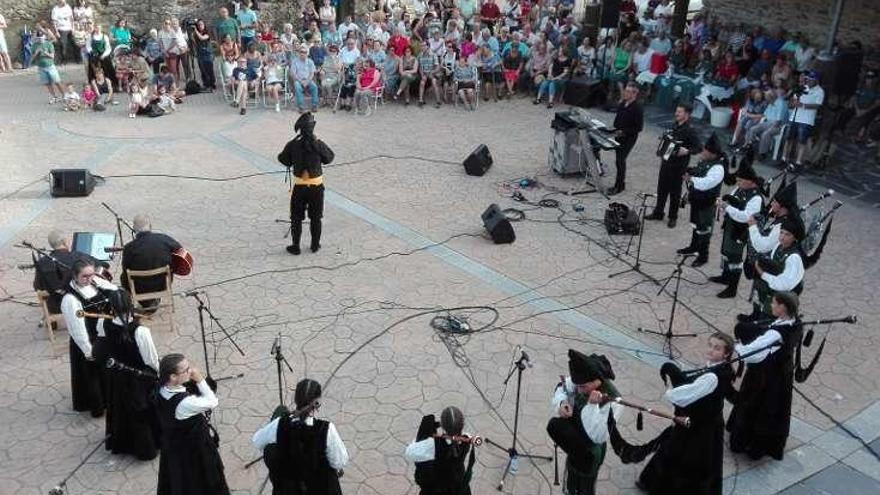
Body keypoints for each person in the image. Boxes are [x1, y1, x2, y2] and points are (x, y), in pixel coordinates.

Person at [608, 332, 736, 495]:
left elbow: (683, 396)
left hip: (698, 427)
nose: (711, 350)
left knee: (679, 458)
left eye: (717, 348)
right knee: (673, 452)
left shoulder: (712, 377)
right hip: (705, 422)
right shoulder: (718, 369)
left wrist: (670, 388)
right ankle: (651, 481)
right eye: (710, 345)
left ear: (726, 354)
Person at [728, 292, 802, 461]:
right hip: (782, 375)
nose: (771, 306)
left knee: (755, 406)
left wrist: (735, 348)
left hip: (765, 377)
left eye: (775, 304)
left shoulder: (776, 334)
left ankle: (748, 444)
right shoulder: (795, 323)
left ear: (783, 307)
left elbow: (753, 351)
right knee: (772, 408)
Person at [252, 378, 349, 494]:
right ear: (317, 403)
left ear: (296, 399)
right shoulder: (326, 429)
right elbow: (340, 461)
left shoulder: (279, 423)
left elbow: (257, 441)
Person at [547, 350, 622, 495]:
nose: (579, 390)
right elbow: (562, 387)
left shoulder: (614, 400)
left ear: (596, 380)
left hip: (590, 449)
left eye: (583, 387)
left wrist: (592, 406)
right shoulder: (581, 381)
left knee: (585, 486)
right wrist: (562, 403)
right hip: (574, 440)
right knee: (571, 478)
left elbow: (598, 435)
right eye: (578, 386)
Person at [156, 353, 230, 495]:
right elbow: (213, 401)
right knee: (203, 482)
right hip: (195, 450)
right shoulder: (185, 403)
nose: (191, 371)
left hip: (174, 447)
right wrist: (200, 380)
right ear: (172, 377)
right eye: (186, 370)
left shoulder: (161, 389)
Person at [101, 290, 160, 460]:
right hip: (139, 378)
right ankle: (147, 448)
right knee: (142, 412)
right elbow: (151, 360)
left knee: (122, 408)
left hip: (117, 375)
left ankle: (123, 442)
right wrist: (158, 374)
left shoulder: (104, 324)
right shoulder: (140, 331)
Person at [60, 259, 119, 416]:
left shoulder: (95, 281)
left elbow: (113, 289)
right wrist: (88, 350)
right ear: (75, 276)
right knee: (92, 375)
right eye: (85, 276)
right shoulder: (70, 300)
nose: (89, 279)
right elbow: (76, 329)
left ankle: (110, 400)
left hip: (102, 337)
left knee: (106, 372)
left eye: (91, 275)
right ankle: (97, 406)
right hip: (88, 340)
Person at [278, 113, 335, 255]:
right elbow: (329, 158)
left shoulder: (293, 144)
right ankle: (315, 245)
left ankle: (295, 246)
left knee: (296, 217)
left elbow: (283, 159)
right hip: (316, 187)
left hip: (299, 187)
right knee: (316, 217)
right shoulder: (318, 144)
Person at [710, 164, 763, 298]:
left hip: (741, 231)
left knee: (735, 258)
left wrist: (727, 207)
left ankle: (732, 288)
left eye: (740, 180)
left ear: (750, 181)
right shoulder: (739, 189)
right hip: (731, 225)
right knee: (726, 251)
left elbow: (745, 217)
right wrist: (722, 201)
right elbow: (731, 198)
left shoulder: (756, 198)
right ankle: (725, 276)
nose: (737, 183)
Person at [646, 103, 701, 228]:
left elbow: (698, 147)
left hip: (678, 166)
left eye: (680, 112)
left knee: (675, 192)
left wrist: (687, 151)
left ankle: (672, 217)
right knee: (662, 189)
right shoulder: (674, 125)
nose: (676, 113)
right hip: (666, 162)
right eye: (677, 111)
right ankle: (658, 212)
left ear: (686, 114)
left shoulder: (690, 130)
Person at [742, 216, 805, 322]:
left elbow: (784, 285)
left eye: (787, 234)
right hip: (769, 290)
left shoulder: (794, 258)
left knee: (767, 321)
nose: (782, 237)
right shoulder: (778, 246)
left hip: (780, 297)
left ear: (795, 238)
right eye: (781, 232)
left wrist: (763, 274)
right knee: (761, 309)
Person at [678, 133, 726, 267]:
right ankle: (693, 247)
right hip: (697, 199)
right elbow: (698, 170)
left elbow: (707, 183)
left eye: (706, 150)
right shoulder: (705, 161)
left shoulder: (718, 168)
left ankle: (703, 256)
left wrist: (691, 179)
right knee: (695, 225)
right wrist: (689, 171)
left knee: (704, 229)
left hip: (707, 202)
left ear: (712, 153)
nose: (703, 151)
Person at [33, 230, 109, 314]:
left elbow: (37, 287)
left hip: (56, 307)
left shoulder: (42, 263)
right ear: (65, 242)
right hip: (84, 303)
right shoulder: (79, 256)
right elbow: (105, 265)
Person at [405, 406, 475, 494]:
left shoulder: (432, 444)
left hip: (436, 488)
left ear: (441, 425)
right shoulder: (466, 438)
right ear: (462, 425)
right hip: (457, 486)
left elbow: (409, 453)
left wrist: (422, 437)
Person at [121, 214, 182, 310]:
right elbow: (179, 249)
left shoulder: (129, 248)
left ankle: (145, 303)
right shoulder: (164, 238)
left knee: (124, 276)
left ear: (134, 230)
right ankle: (152, 301)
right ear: (150, 226)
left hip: (139, 289)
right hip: (163, 284)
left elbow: (125, 271)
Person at [610, 82, 643, 195]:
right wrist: (615, 129)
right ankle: (619, 184)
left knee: (620, 160)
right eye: (625, 90)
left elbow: (639, 127)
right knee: (618, 160)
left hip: (629, 138)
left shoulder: (637, 108)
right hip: (618, 135)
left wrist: (624, 131)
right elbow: (617, 118)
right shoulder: (623, 103)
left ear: (634, 94)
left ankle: (619, 185)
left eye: (628, 92)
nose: (625, 93)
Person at [785, 70, 825, 165]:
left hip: (806, 120)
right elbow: (794, 99)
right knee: (789, 139)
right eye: (808, 79)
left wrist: (803, 105)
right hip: (794, 117)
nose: (809, 81)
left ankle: (798, 162)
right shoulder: (802, 88)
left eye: (812, 80)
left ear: (816, 81)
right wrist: (793, 102)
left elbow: (818, 105)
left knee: (801, 141)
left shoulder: (820, 91)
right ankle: (784, 159)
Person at [31, 30, 65, 103]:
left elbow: (52, 56)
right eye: (39, 38)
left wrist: (45, 53)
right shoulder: (34, 45)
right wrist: (36, 53)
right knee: (47, 83)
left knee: (57, 81)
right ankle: (54, 96)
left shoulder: (49, 44)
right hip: (41, 67)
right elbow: (32, 59)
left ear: (44, 37)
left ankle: (64, 95)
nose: (40, 39)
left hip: (50, 66)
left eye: (41, 37)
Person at [290, 45, 319, 113]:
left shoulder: (310, 62)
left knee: (314, 87)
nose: (303, 53)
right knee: (297, 87)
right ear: (299, 53)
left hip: (308, 80)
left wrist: (307, 81)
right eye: (301, 52)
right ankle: (301, 106)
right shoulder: (295, 61)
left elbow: (312, 73)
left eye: (304, 52)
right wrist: (301, 81)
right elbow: (293, 74)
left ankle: (314, 105)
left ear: (307, 53)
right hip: (298, 80)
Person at [192, 19, 216, 91]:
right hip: (200, 53)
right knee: (202, 70)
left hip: (208, 53)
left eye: (201, 24)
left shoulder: (207, 32)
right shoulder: (196, 33)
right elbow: (194, 41)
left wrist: (195, 30)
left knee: (209, 70)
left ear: (204, 25)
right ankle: (205, 84)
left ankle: (212, 84)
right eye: (198, 25)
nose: (200, 26)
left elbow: (202, 38)